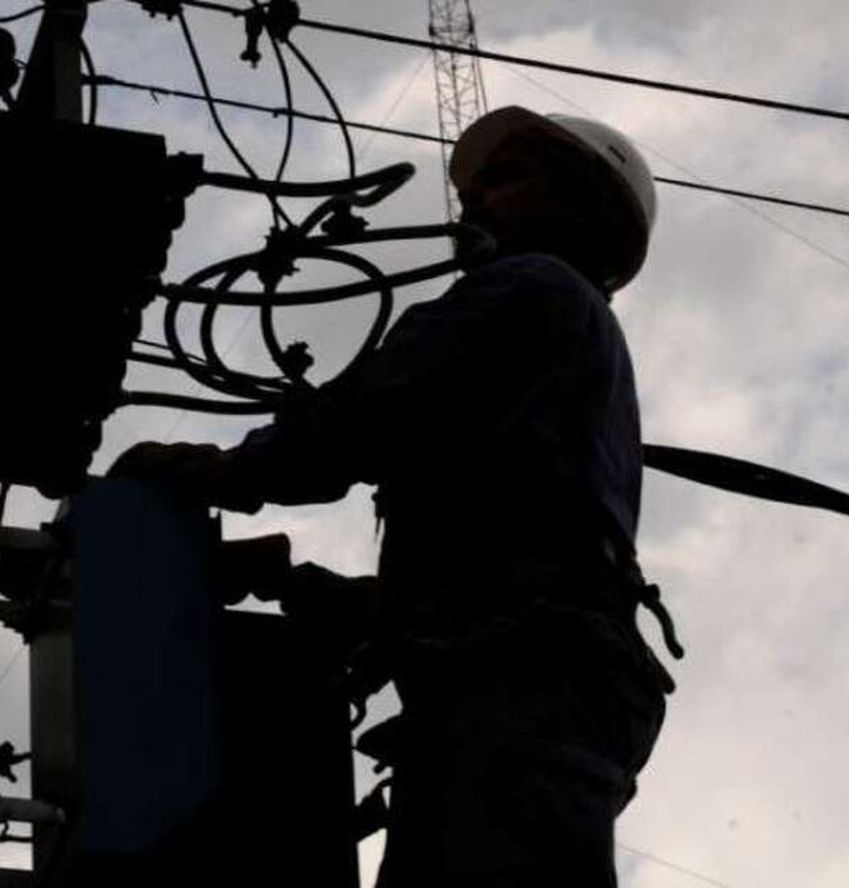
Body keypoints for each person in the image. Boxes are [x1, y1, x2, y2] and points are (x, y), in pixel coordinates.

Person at [112, 105, 680, 886]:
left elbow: (367, 414)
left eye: (508, 178)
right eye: (472, 188)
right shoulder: (568, 352)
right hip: (528, 678)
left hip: (524, 679)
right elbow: (512, 544)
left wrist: (221, 472)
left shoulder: (531, 286)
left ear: (580, 205)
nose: (472, 202)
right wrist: (324, 595)